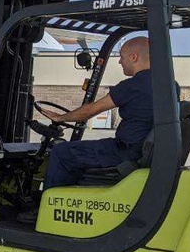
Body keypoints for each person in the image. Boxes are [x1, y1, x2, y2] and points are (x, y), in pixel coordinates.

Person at [39, 36, 172, 189]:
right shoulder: (170, 85)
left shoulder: (132, 86)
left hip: (124, 153)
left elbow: (89, 111)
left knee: (61, 152)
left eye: (122, 57)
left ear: (134, 57)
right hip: (144, 151)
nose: (120, 61)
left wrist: (59, 117)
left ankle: (47, 205)